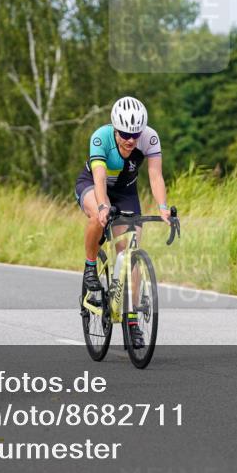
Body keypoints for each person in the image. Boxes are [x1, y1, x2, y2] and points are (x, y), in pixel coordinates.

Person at [74, 96, 170, 348]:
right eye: (125, 133)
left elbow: (155, 175)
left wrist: (162, 208)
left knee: (131, 253)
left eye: (135, 134)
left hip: (126, 193)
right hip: (94, 186)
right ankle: (90, 266)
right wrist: (104, 205)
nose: (130, 140)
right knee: (97, 215)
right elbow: (99, 175)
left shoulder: (149, 138)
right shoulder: (100, 137)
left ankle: (131, 321)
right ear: (115, 128)